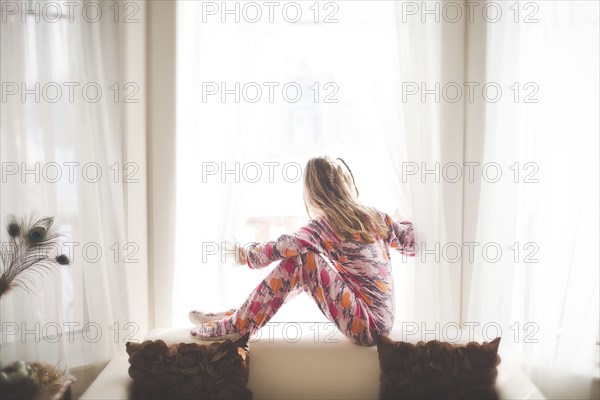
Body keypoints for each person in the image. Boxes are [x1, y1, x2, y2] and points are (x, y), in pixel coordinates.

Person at [190, 156, 415, 346]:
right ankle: (240, 313)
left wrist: (246, 255)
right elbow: (410, 242)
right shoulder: (375, 216)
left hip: (366, 327)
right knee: (303, 261)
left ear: (313, 194)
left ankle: (239, 324)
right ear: (345, 184)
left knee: (302, 260)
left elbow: (283, 247)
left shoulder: (325, 226)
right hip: (380, 320)